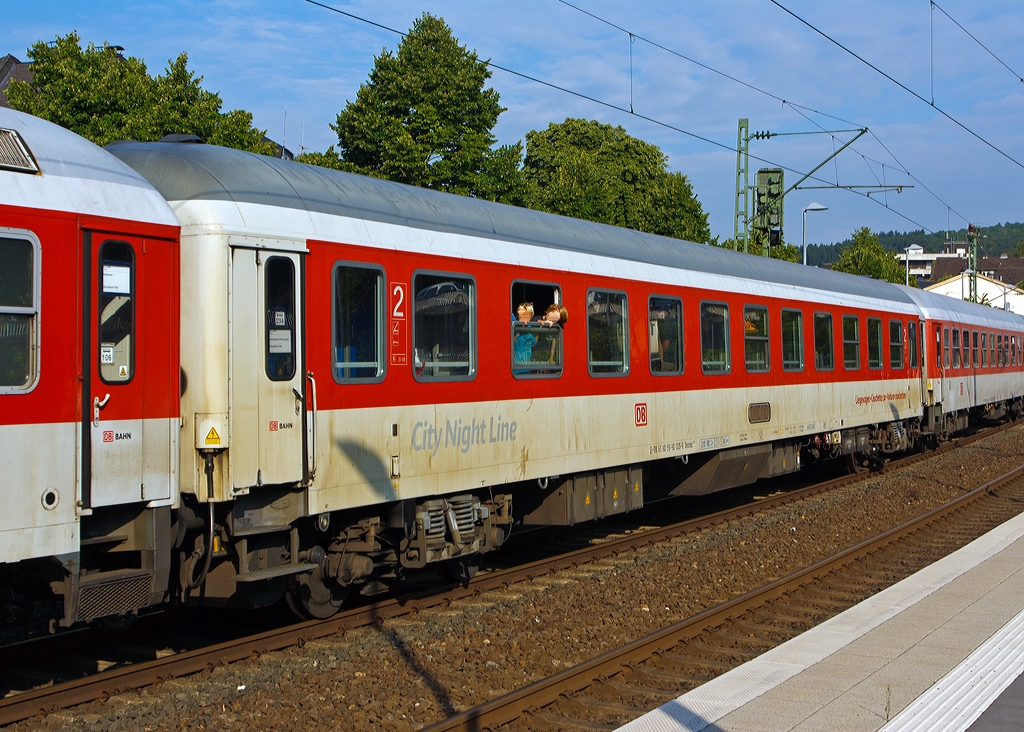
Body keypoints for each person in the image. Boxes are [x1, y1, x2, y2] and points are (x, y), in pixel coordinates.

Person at [513, 302, 537, 367]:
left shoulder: (530, 330)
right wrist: (518, 332)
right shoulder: (514, 327)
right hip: (515, 366)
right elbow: (511, 342)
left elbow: (534, 343)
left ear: (530, 317)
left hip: (527, 365)